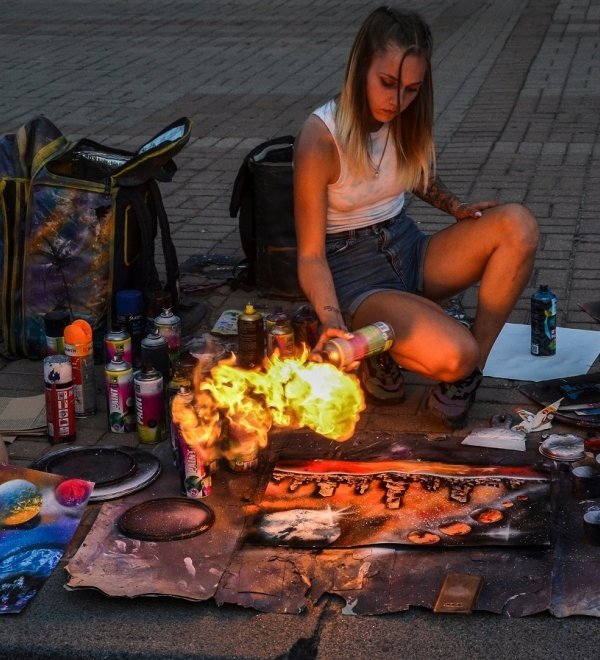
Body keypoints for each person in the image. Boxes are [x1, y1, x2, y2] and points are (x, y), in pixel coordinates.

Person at [293, 6, 539, 428]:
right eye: (387, 84)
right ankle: (378, 348)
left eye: (410, 89)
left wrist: (455, 207)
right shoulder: (320, 138)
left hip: (407, 247)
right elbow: (311, 255)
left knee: (518, 224)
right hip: (355, 277)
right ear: (360, 68)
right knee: (453, 352)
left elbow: (413, 174)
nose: (397, 100)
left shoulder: (405, 117)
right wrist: (332, 320)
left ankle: (466, 377)